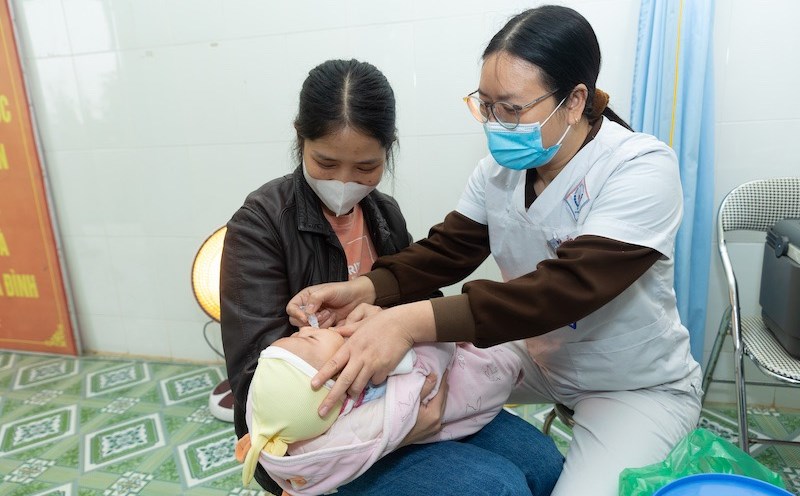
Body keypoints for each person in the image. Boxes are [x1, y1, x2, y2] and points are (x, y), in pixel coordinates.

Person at [287, 8, 703, 496]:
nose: (495, 124)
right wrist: (366, 289)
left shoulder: (640, 167)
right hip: (535, 353)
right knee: (400, 387)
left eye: (511, 109)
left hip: (629, 381)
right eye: (485, 106)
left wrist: (405, 322)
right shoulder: (497, 173)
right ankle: (312, 470)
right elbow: (448, 249)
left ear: (574, 101)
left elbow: (563, 290)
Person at [220, 58, 564, 496]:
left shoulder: (383, 214)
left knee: (543, 464)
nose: (344, 181)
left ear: (389, 149)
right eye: (325, 162)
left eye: (366, 167)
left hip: (408, 392)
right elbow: (257, 387)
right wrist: (397, 428)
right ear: (299, 138)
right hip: (329, 437)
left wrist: (419, 369)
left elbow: (423, 303)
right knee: (496, 487)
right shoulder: (261, 225)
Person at [237, 325, 527, 495]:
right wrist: (413, 330)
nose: (305, 328)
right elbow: (433, 350)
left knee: (541, 461)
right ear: (335, 382)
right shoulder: (365, 410)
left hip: (451, 400)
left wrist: (386, 316)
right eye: (309, 338)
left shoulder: (384, 219)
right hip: (472, 389)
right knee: (503, 488)